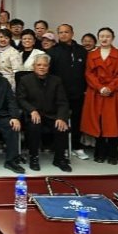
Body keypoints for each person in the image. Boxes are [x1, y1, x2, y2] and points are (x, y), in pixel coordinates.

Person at [81, 27, 118, 165]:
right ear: (98, 38)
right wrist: (100, 87)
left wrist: (110, 88)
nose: (104, 39)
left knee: (113, 123)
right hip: (96, 93)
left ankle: (113, 153)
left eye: (107, 36)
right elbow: (89, 74)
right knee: (98, 122)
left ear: (112, 38)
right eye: (102, 36)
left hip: (114, 94)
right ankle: (100, 152)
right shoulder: (92, 55)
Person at [17, 54, 72, 172]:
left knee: (61, 127)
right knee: (34, 127)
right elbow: (21, 99)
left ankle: (60, 159)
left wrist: (61, 117)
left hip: (52, 115)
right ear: (33, 66)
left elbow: (62, 102)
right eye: (39, 65)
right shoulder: (25, 80)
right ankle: (34, 157)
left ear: (48, 67)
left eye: (45, 65)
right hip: (34, 115)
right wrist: (32, 110)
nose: (42, 67)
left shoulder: (56, 81)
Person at [47, 24, 89, 160]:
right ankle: (62, 147)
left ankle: (76, 146)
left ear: (72, 33)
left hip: (78, 93)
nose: (63, 34)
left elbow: (87, 72)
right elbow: (49, 74)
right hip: (59, 94)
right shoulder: (52, 52)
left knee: (77, 120)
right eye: (61, 32)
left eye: (66, 32)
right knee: (60, 120)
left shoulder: (82, 51)